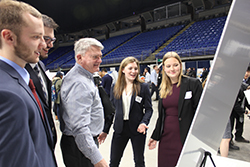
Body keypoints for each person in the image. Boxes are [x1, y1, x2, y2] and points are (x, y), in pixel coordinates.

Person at [0, 1, 57, 166]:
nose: (44, 44)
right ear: (9, 37)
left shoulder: (15, 79)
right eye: (36, 37)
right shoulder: (8, 95)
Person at [59, 38, 108, 167]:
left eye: (100, 56)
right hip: (80, 148)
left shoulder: (84, 77)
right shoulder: (79, 83)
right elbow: (79, 127)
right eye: (95, 57)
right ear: (79, 58)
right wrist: (96, 158)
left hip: (81, 145)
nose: (100, 61)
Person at [148, 51, 202, 167]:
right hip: (166, 137)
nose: (172, 69)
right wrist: (155, 136)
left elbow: (200, 113)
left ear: (180, 66)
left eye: (175, 65)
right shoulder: (163, 88)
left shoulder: (193, 84)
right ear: (164, 68)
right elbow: (161, 116)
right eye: (168, 66)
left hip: (184, 136)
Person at [98, 56, 153, 167]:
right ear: (123, 69)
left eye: (136, 69)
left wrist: (144, 123)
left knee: (139, 161)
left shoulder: (143, 87)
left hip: (138, 129)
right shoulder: (115, 87)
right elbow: (112, 111)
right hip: (120, 129)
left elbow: (148, 109)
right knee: (114, 161)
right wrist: (105, 130)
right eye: (130, 68)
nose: (133, 71)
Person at [25, 14, 59, 148]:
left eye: (52, 39)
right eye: (45, 38)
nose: (49, 45)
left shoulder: (40, 65)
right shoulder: (18, 70)